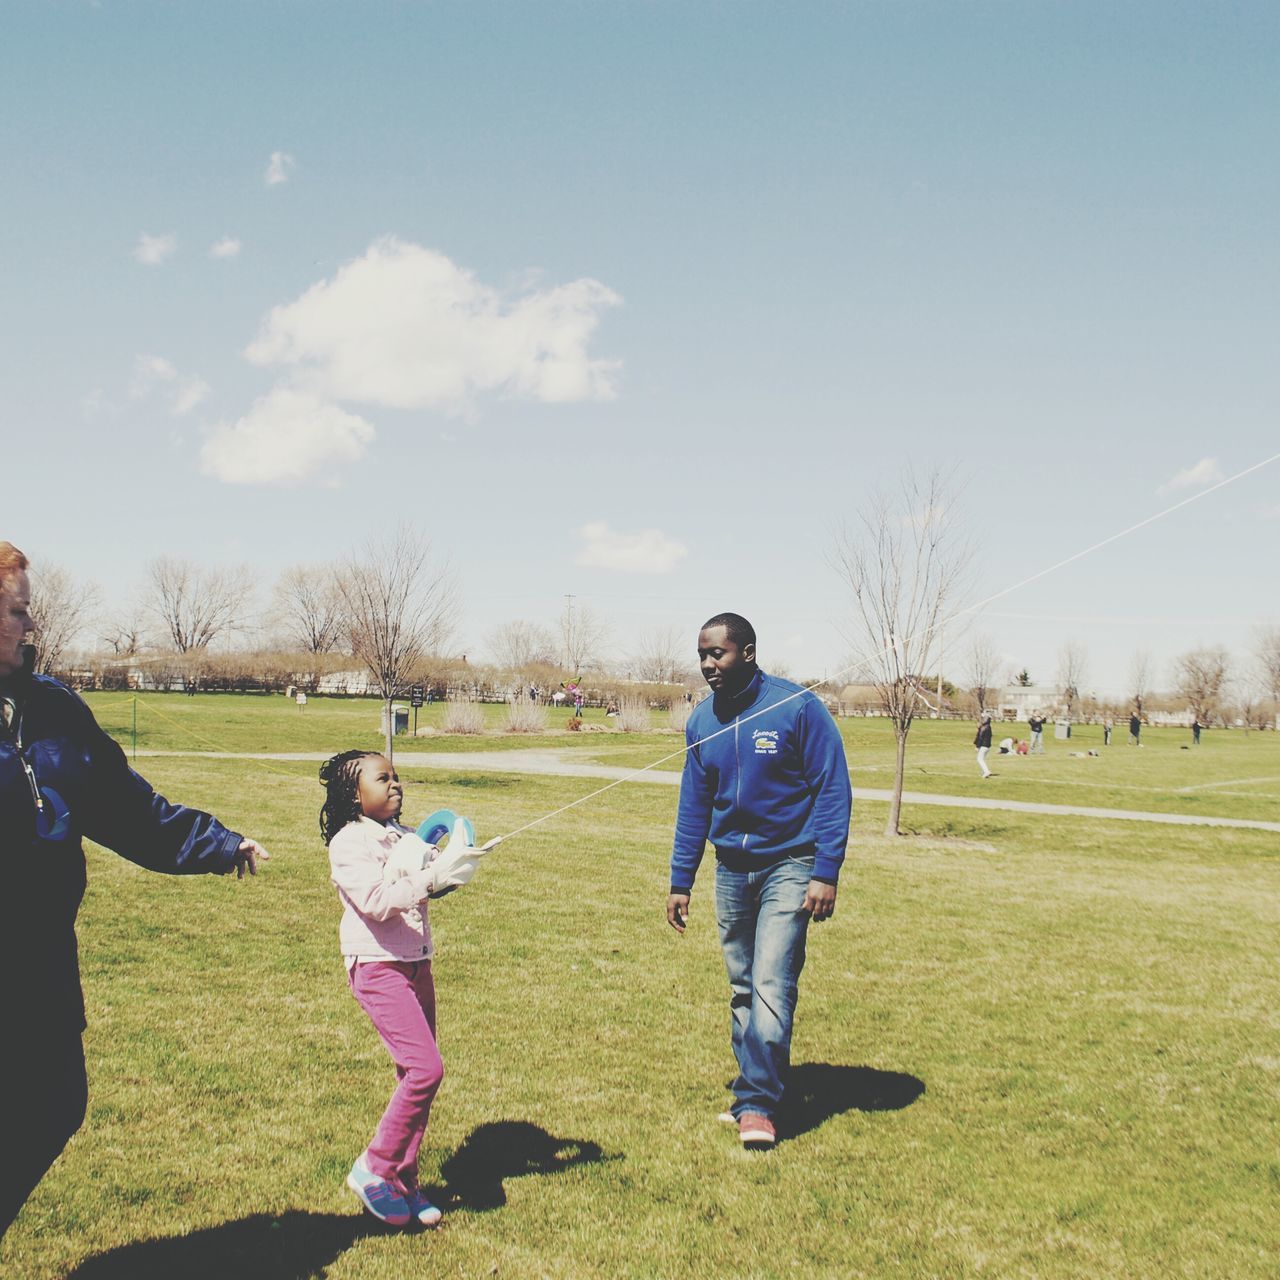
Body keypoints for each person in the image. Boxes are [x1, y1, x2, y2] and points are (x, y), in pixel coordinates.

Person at [0, 541, 269, 1238]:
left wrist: (217, 843)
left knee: (57, 1102)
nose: (29, 626)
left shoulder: (53, 709)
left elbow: (125, 806)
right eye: (17, 610)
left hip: (41, 960)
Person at [667, 613, 851, 1150]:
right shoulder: (702, 722)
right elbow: (694, 805)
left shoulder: (796, 707)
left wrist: (825, 870)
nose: (707, 665)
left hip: (791, 864)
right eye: (702, 655)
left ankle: (758, 1105)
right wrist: (682, 880)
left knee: (772, 981)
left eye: (717, 654)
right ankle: (756, 1087)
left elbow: (832, 789)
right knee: (744, 986)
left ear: (746, 653)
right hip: (731, 870)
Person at [322, 749, 492, 1228]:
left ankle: (404, 1179)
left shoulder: (403, 836)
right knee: (426, 1070)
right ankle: (374, 1165)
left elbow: (428, 884)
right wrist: (430, 875)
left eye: (396, 777)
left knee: (412, 1077)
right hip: (377, 968)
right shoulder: (348, 844)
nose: (395, 784)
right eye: (382, 778)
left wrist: (457, 864)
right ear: (353, 794)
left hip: (417, 965)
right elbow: (377, 901)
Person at [975, 711, 993, 777]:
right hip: (987, 746)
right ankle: (983, 771)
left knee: (979, 759)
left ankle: (986, 771)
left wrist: (977, 746)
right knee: (982, 759)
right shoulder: (988, 727)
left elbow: (980, 737)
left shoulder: (984, 728)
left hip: (983, 746)